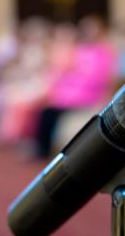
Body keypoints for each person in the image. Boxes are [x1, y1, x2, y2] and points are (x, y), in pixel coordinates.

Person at [34, 15, 115, 158]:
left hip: (88, 96)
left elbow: (96, 79)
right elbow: (68, 71)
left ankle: (43, 150)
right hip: (71, 93)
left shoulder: (104, 51)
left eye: (92, 29)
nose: (88, 32)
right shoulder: (80, 50)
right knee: (45, 109)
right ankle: (42, 147)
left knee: (49, 113)